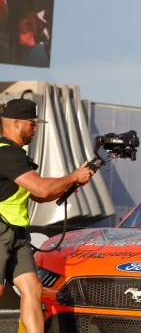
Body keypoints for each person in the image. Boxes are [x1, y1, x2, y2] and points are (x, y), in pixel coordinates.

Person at [0, 98, 94, 333]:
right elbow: (42, 188)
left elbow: (40, 196)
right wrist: (73, 176)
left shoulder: (18, 156)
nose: (35, 128)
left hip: (16, 234)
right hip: (1, 231)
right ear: (17, 122)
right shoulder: (6, 154)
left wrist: (73, 183)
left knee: (32, 288)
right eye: (32, 123)